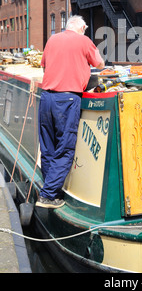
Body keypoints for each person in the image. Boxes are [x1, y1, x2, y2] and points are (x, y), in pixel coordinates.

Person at [36, 15, 105, 209]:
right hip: (67, 99)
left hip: (47, 97)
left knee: (48, 147)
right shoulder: (84, 40)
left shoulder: (52, 39)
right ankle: (48, 195)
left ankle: (52, 190)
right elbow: (100, 64)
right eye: (85, 29)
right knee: (65, 149)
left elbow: (45, 66)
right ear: (82, 27)